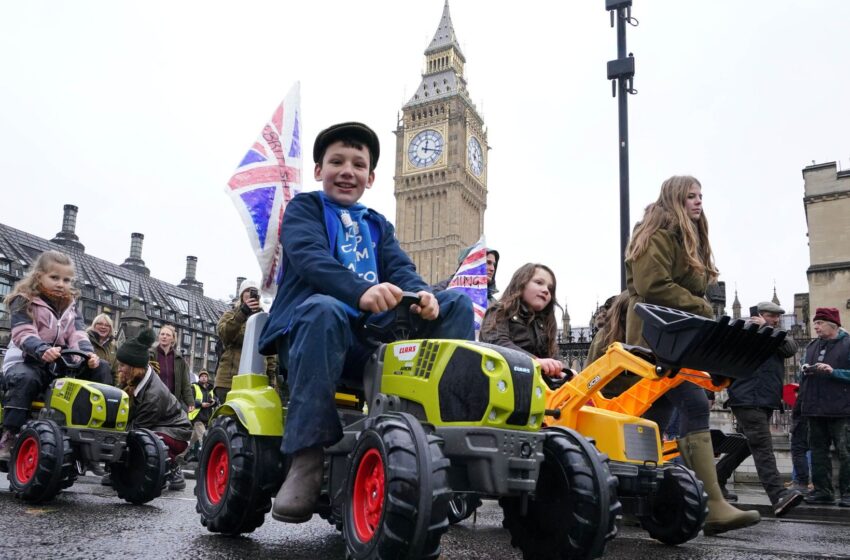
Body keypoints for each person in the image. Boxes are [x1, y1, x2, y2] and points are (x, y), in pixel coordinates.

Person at [257, 122, 474, 523]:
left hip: (368, 343)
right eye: (336, 161)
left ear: (371, 177)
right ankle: (307, 458)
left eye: (358, 164)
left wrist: (423, 295)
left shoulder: (377, 225)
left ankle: (448, 443)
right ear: (319, 169)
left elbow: (401, 269)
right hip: (313, 335)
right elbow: (310, 258)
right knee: (326, 308)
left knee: (456, 304)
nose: (347, 170)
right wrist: (359, 291)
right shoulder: (305, 209)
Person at [624, 175, 760, 535]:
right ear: (674, 199)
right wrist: (700, 305)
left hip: (676, 338)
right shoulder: (656, 233)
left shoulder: (687, 238)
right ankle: (712, 504)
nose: (698, 202)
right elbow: (651, 286)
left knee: (655, 413)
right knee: (693, 404)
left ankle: (634, 498)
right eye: (690, 197)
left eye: (700, 196)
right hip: (655, 336)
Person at [0, 250, 111, 460]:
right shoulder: (24, 301)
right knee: (27, 378)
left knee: (102, 367)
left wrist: (88, 355)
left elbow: (77, 334)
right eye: (54, 278)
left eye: (66, 279)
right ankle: (10, 433)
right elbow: (23, 332)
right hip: (27, 360)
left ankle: (97, 433)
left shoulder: (71, 307)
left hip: (58, 361)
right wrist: (41, 349)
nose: (61, 283)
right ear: (39, 276)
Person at [715, 301, 803, 517]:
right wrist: (763, 329)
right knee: (763, 446)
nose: (776, 320)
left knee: (747, 445)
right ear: (759, 316)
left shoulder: (774, 335)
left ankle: (716, 479)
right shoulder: (746, 335)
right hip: (747, 399)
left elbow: (791, 349)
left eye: (777, 316)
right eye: (772, 316)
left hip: (764, 400)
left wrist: (768, 328)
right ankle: (778, 496)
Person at [115, 328, 192, 491]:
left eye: (122, 365)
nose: (119, 369)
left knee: (147, 439)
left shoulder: (153, 395)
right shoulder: (131, 380)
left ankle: (171, 466)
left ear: (134, 367)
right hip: (161, 424)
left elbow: (136, 430)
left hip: (176, 431)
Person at [798, 307, 850, 507]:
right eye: (815, 323)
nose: (816, 326)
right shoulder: (811, 346)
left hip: (842, 410)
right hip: (814, 408)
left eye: (819, 323)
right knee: (818, 451)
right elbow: (801, 376)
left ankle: (847, 493)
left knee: (846, 452)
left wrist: (834, 372)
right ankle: (822, 491)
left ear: (833, 325)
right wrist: (805, 371)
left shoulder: (848, 344)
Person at [480, 263, 565, 379]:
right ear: (521, 283)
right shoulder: (499, 311)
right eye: (539, 283)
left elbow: (553, 354)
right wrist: (534, 361)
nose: (546, 290)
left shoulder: (545, 324)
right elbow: (497, 343)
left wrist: (564, 371)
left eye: (550, 289)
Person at [215, 279, 278, 404]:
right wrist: (242, 313)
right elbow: (225, 334)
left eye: (253, 292)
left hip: (256, 381)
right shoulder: (230, 314)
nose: (250, 294)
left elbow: (270, 353)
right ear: (241, 295)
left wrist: (272, 381)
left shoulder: (264, 319)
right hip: (229, 380)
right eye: (247, 291)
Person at [433, 246, 501, 306]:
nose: (492, 269)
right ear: (471, 263)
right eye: (488, 263)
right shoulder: (441, 290)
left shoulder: (493, 304)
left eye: (494, 264)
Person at [149, 324, 194, 413]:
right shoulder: (150, 354)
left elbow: (185, 383)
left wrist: (190, 402)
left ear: (173, 339)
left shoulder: (179, 359)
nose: (164, 337)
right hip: (153, 401)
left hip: (172, 401)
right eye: (162, 334)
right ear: (158, 336)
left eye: (168, 335)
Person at [184, 369, 217, 462]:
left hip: (207, 418)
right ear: (199, 377)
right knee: (204, 439)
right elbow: (189, 400)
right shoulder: (194, 386)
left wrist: (213, 402)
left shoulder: (210, 389)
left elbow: (215, 400)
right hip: (197, 417)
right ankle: (207, 460)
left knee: (191, 441)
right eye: (202, 376)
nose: (204, 377)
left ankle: (179, 456)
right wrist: (201, 404)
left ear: (207, 378)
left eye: (205, 376)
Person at [87, 313, 118, 385]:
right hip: (87, 383)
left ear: (110, 328)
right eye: (100, 324)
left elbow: (116, 372)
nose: (103, 327)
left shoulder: (113, 348)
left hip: (106, 387)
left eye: (107, 325)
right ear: (94, 325)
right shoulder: (85, 341)